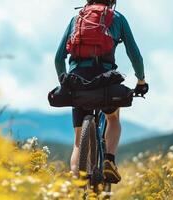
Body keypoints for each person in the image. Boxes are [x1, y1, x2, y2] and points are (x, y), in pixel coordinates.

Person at [54, 0, 148, 183]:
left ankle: (76, 186)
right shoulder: (118, 18)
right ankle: (109, 160)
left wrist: (64, 82)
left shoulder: (77, 18)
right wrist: (141, 80)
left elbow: (59, 58)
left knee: (78, 142)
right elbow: (134, 53)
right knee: (113, 119)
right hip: (104, 81)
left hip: (77, 82)